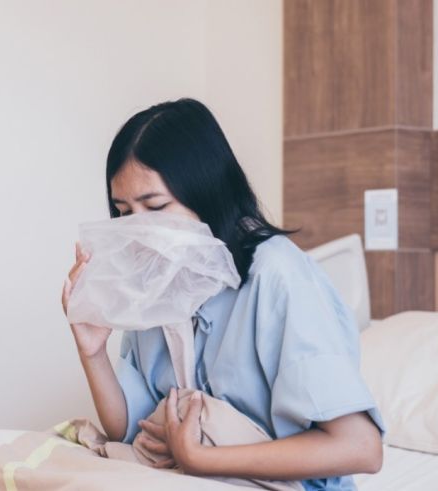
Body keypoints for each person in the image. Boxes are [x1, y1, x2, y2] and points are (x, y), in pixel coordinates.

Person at [60, 98, 385, 490]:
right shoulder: (155, 281)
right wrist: (92, 352)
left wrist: (201, 458)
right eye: (124, 214)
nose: (138, 232)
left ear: (206, 193)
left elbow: (361, 448)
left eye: (155, 206)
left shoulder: (276, 274)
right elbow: (130, 429)